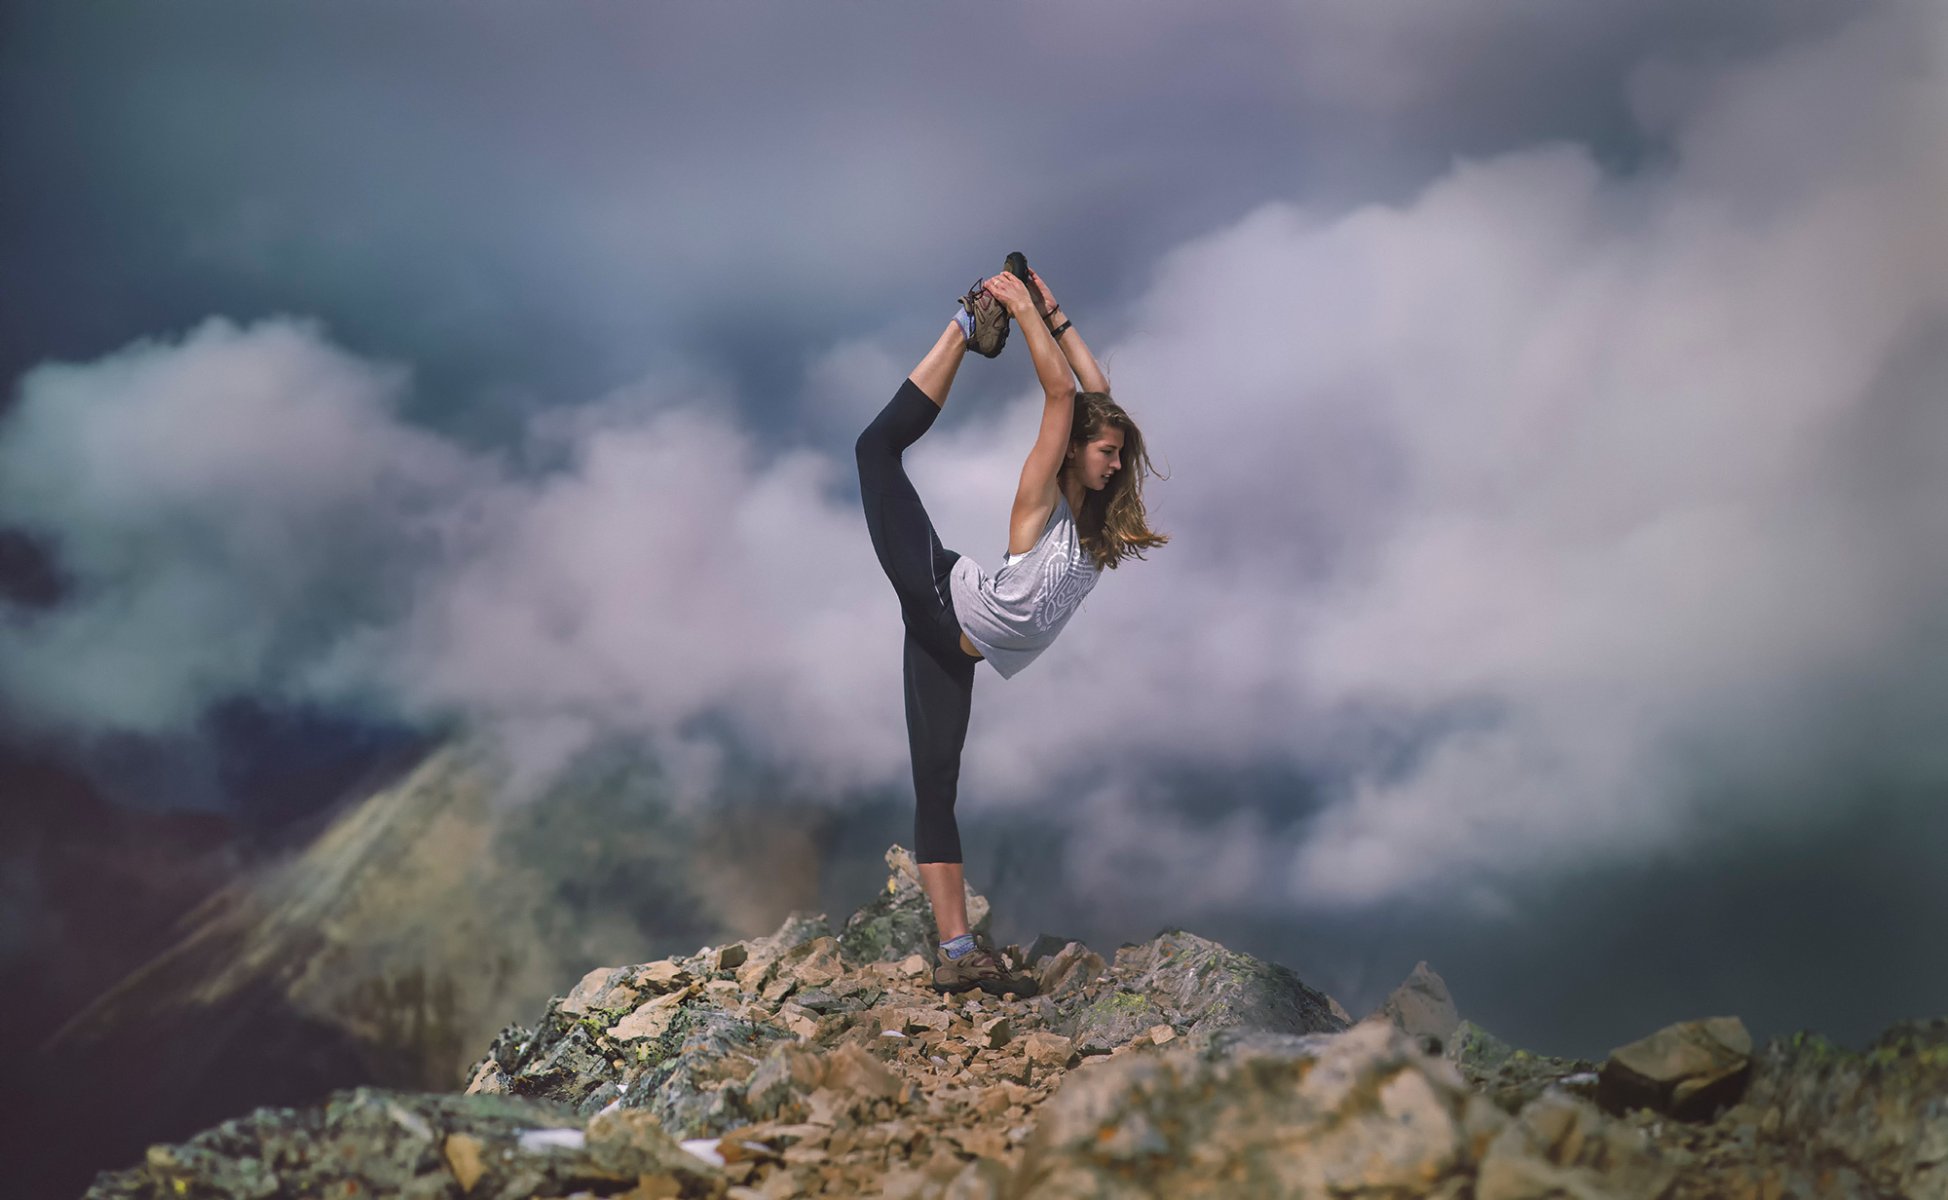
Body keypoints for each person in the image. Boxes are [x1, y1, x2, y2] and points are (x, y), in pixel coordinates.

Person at [853, 260, 1168, 996]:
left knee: (938, 786)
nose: (1118, 463)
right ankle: (963, 328)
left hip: (955, 648)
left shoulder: (1096, 526)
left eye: (1120, 454)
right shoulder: (1043, 499)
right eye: (1106, 452)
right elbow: (1066, 393)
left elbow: (1097, 397)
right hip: (938, 596)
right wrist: (1019, 310)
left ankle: (959, 951)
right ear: (1072, 455)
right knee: (875, 451)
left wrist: (1057, 318)